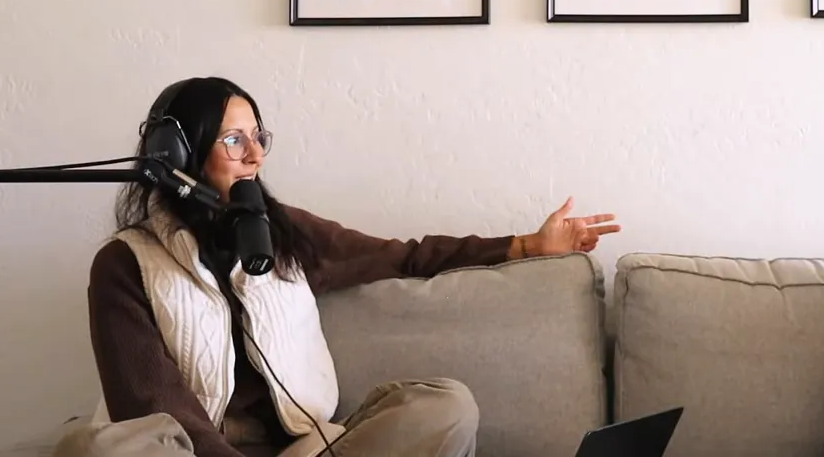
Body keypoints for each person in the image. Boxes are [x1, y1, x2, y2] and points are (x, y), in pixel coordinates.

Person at [53, 76, 621, 457]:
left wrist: (525, 245)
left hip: (308, 449)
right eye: (234, 140)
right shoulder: (125, 264)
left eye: (259, 137)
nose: (257, 155)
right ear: (178, 156)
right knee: (99, 446)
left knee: (445, 405)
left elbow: (406, 255)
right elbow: (152, 406)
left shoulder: (287, 232)